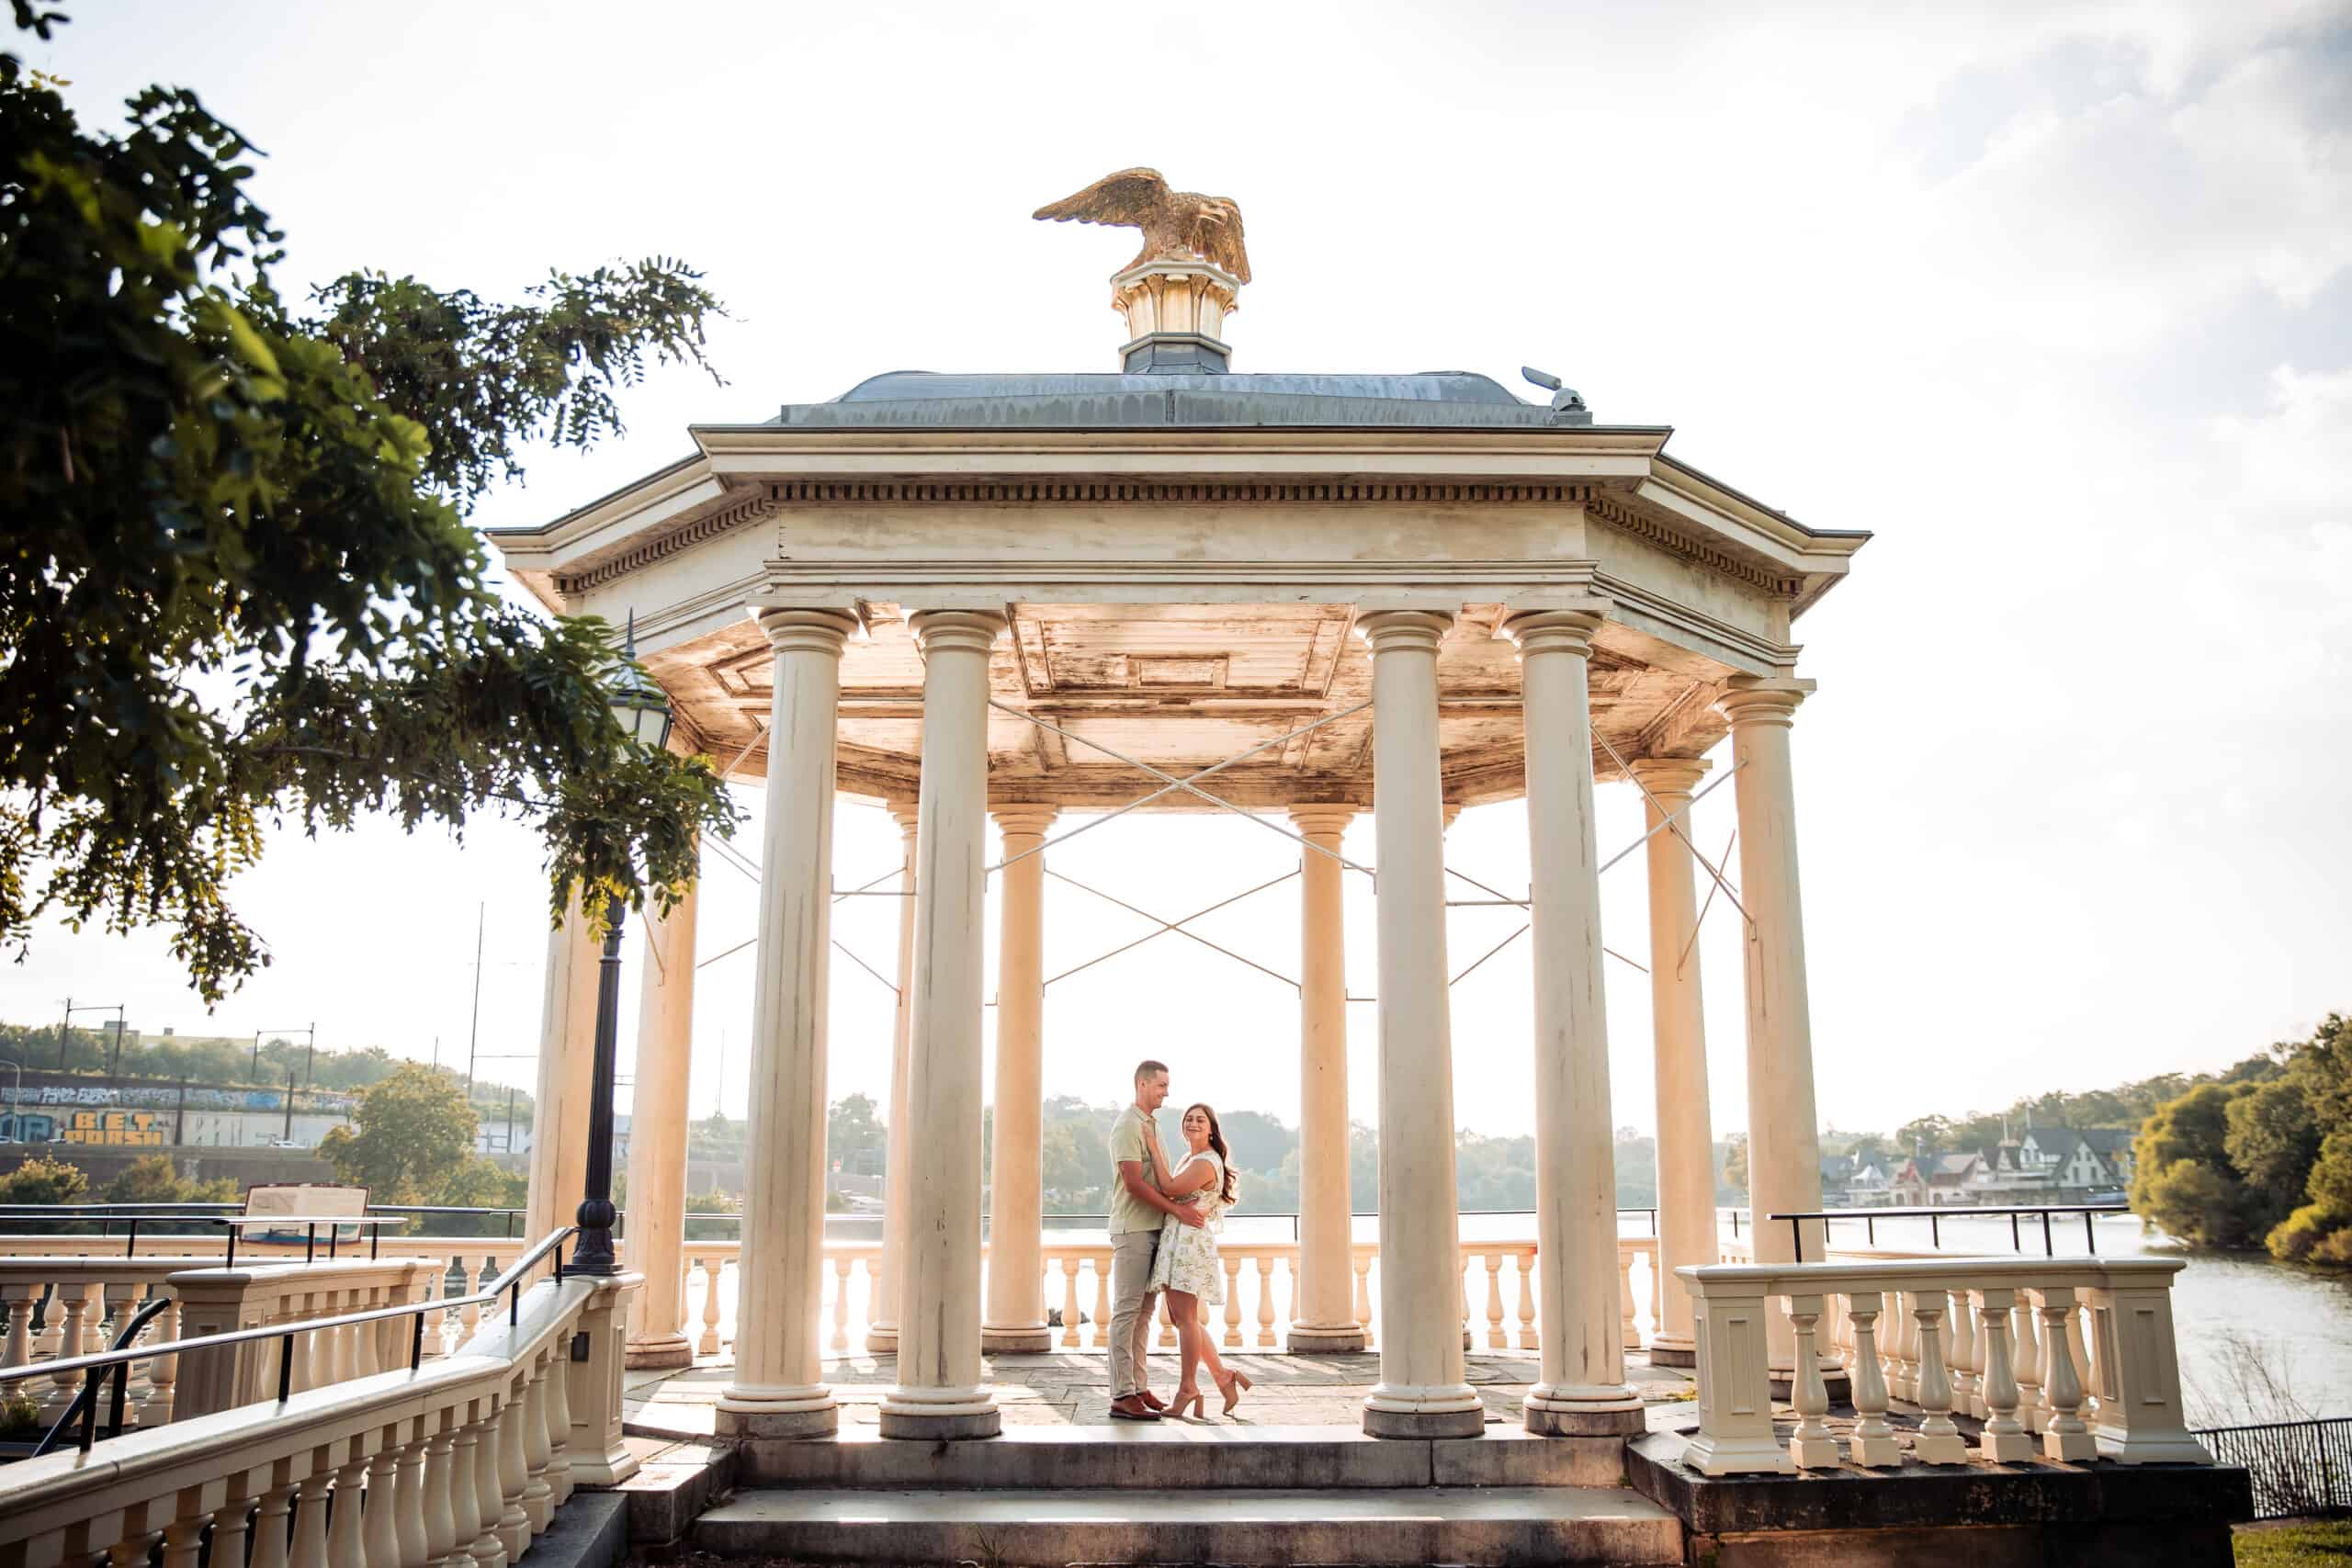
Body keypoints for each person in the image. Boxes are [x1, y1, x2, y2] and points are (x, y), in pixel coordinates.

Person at [1106, 1058, 1205, 1423]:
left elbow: (1163, 1180)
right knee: (1127, 1312)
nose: (1167, 1091)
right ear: (1143, 1084)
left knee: (1144, 1315)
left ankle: (1138, 1386)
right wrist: (1177, 1210)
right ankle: (1121, 1394)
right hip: (1132, 1229)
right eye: (1162, 1085)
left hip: (1154, 1230)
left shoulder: (1152, 1126)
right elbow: (1133, 1183)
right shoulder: (1127, 1126)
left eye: (1167, 1085)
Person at [1141, 1102, 1252, 1418]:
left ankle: (1188, 1388)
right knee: (1183, 1319)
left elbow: (1168, 1187)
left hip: (1188, 1244)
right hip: (1178, 1240)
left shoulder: (1205, 1162)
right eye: (1188, 1119)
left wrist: (1152, 1146)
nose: (1192, 1123)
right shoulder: (1190, 1158)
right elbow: (1171, 1193)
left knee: (1187, 1320)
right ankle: (1223, 1376)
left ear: (1212, 1130)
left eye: (1200, 1120)